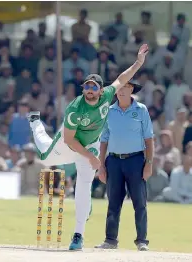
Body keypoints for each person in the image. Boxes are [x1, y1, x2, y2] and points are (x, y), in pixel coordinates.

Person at [27, 44, 149, 250]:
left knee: (84, 184)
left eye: (94, 87)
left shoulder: (108, 95)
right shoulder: (75, 107)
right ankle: (35, 123)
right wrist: (91, 158)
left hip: (90, 144)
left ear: (101, 90)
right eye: (86, 87)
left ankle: (78, 235)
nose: (89, 91)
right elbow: (69, 140)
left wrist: (138, 62)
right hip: (69, 142)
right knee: (46, 157)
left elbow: (122, 78)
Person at [95, 80, 154, 251]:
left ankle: (142, 240)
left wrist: (148, 164)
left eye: (125, 88)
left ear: (131, 90)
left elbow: (149, 140)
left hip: (136, 160)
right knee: (113, 202)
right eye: (119, 88)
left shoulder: (141, 110)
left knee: (139, 202)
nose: (121, 91)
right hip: (113, 161)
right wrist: (101, 165)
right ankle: (110, 240)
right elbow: (104, 139)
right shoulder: (109, 111)